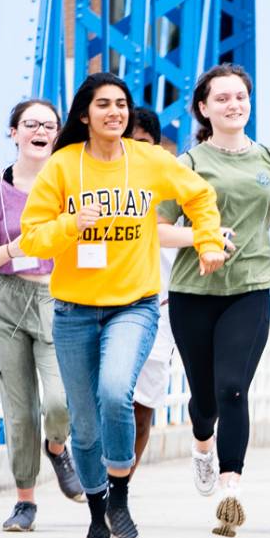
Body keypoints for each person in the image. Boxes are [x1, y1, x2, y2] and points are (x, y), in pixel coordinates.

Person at [15, 73, 225, 538]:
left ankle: (122, 498)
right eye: (104, 104)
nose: (115, 112)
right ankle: (96, 517)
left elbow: (200, 197)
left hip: (134, 304)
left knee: (115, 392)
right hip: (72, 310)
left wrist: (209, 239)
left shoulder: (150, 161)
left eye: (122, 104)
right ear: (84, 114)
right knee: (84, 426)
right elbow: (32, 238)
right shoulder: (64, 166)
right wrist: (70, 224)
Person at [160, 63, 270, 538]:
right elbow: (158, 230)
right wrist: (203, 235)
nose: (234, 105)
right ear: (203, 108)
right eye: (222, 98)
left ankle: (230, 489)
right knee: (204, 396)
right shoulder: (187, 165)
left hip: (252, 284)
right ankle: (202, 445)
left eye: (241, 97)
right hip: (194, 290)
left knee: (233, 386)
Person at [0, 98, 84, 531]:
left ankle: (58, 446)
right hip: (5, 298)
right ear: (13, 132)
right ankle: (25, 500)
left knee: (58, 400)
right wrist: (17, 248)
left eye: (49, 125)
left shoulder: (71, 188)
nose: (40, 131)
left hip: (58, 297)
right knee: (18, 408)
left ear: (58, 134)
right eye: (30, 124)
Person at [125, 108, 176, 468]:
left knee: (142, 408)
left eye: (142, 142)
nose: (133, 149)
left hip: (158, 310)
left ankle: (122, 484)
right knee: (107, 397)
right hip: (100, 305)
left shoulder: (174, 190)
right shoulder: (88, 183)